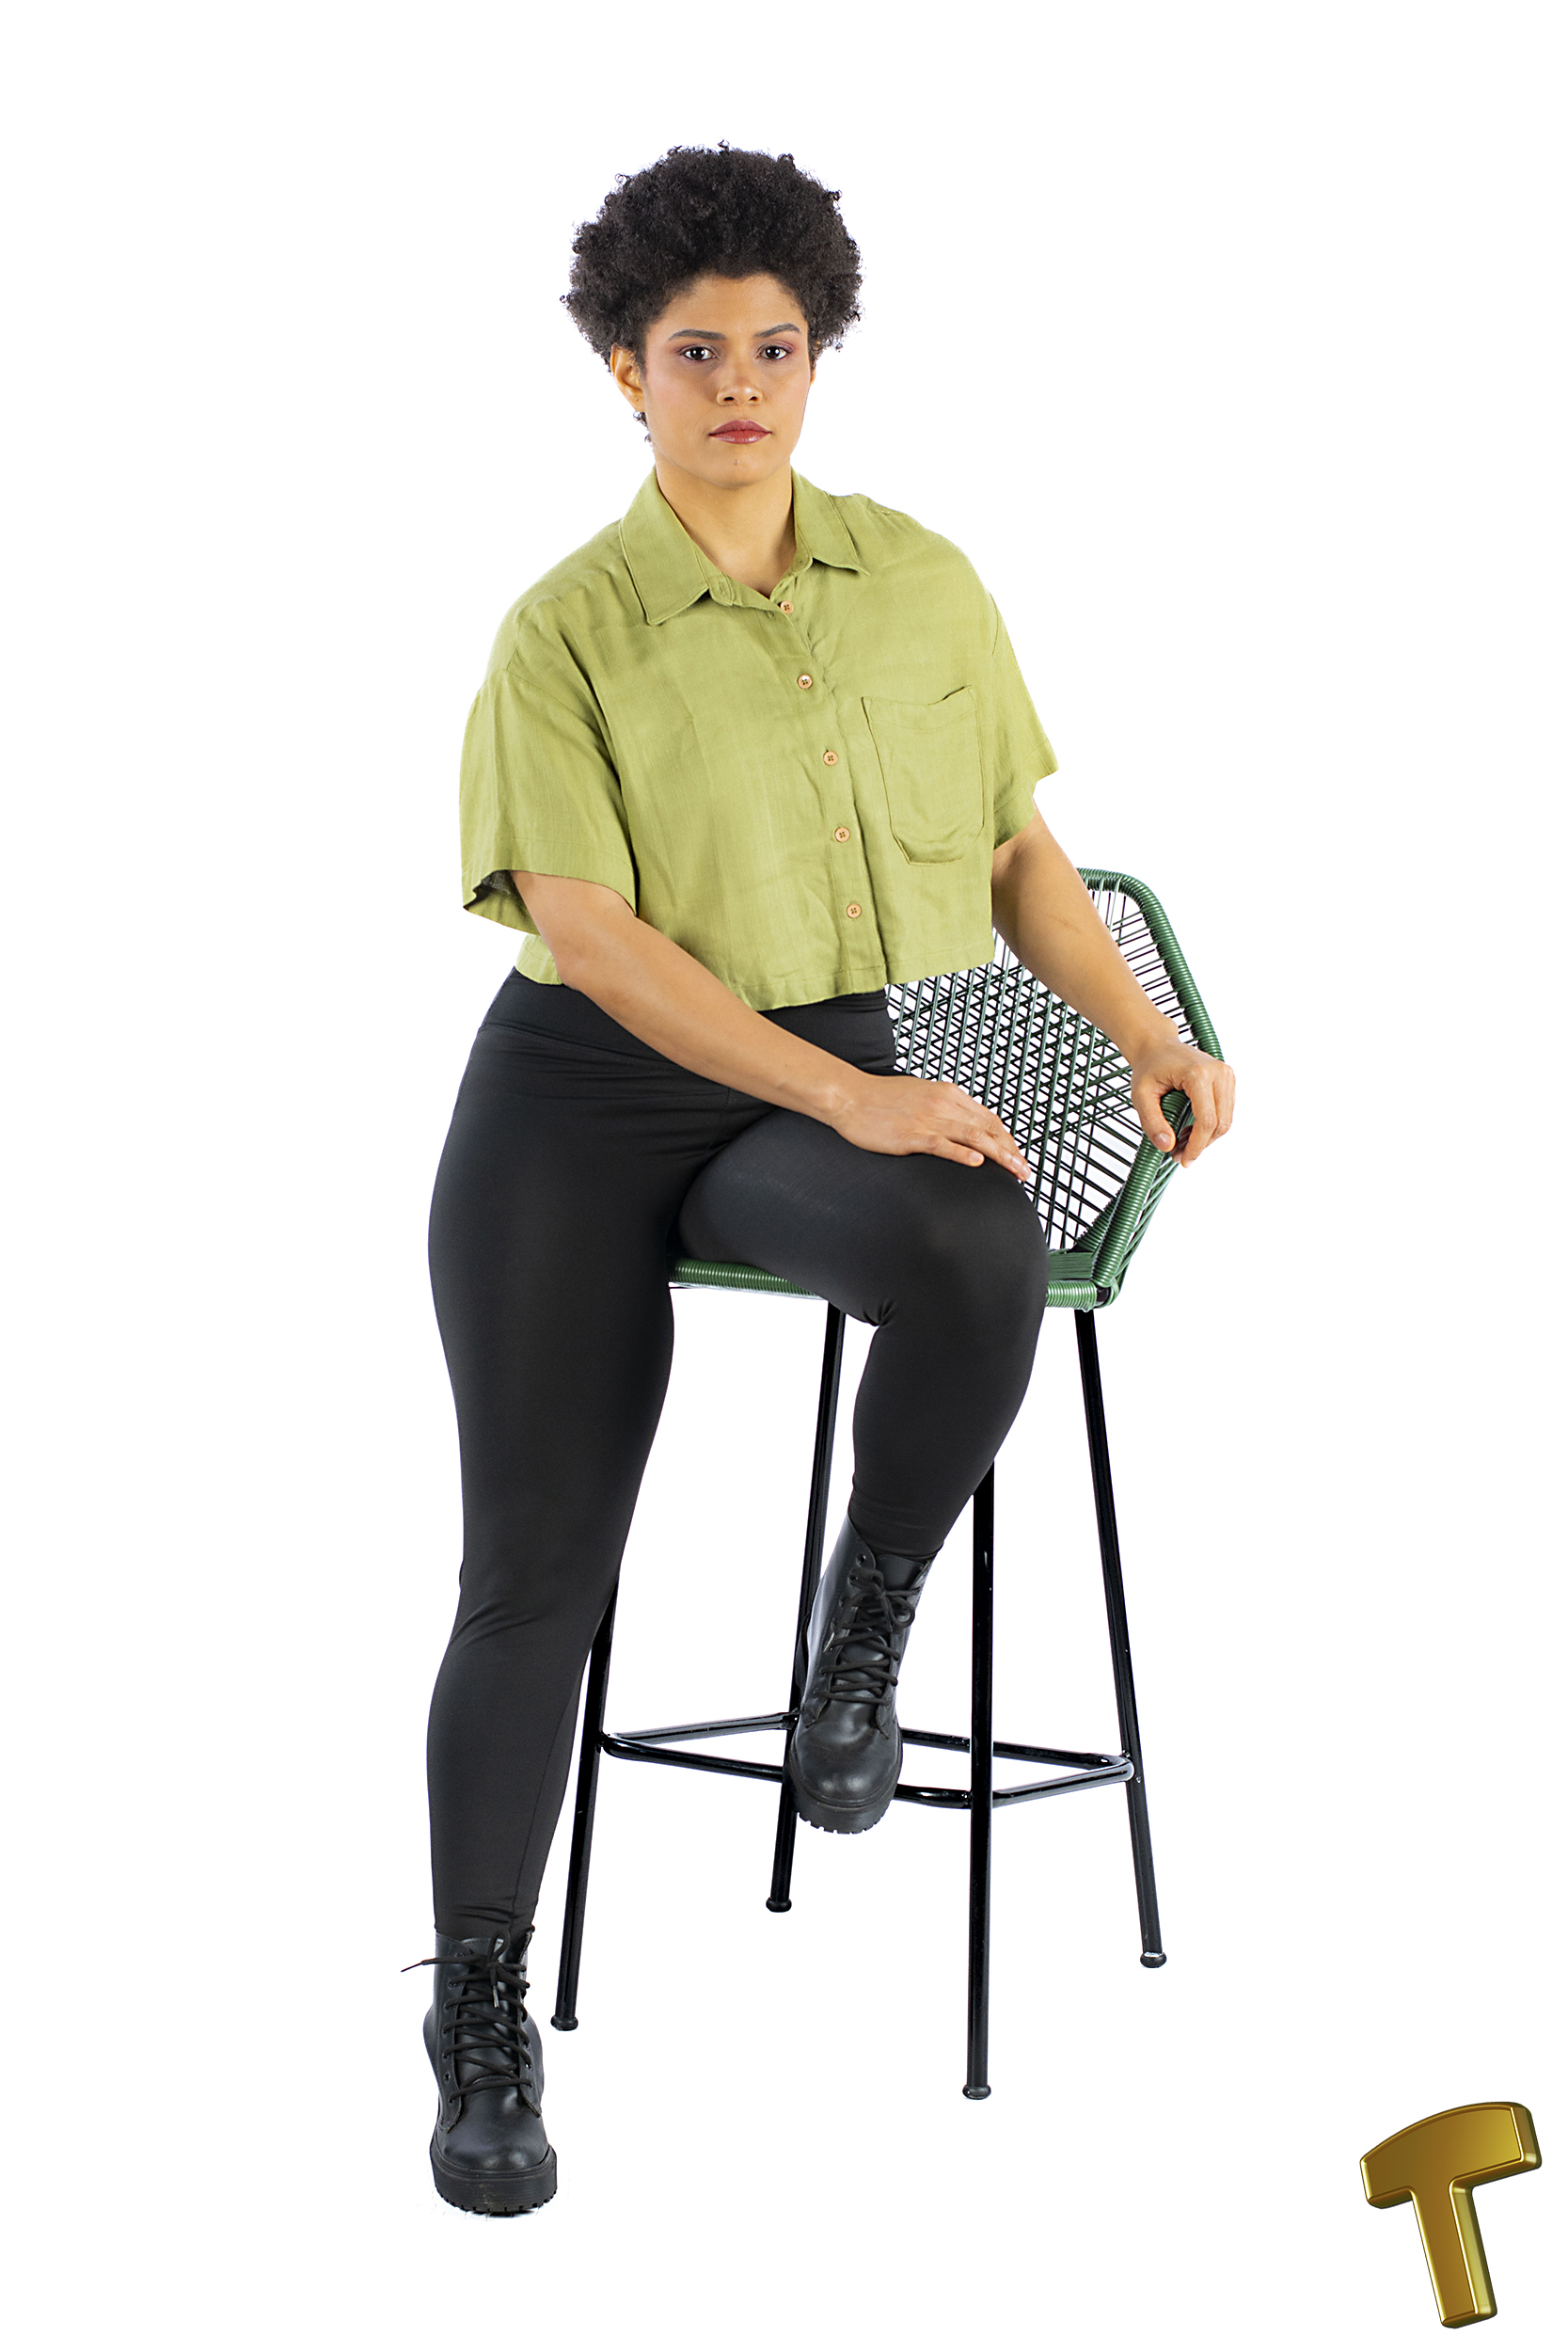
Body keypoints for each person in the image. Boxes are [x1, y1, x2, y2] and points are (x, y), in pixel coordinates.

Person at [416, 142, 1236, 2217]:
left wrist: (1143, 1031)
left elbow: (1017, 853)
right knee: (535, 1579)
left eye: (774, 348)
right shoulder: (568, 629)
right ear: (624, 370)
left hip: (807, 1101)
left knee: (975, 1233)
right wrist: (848, 1096)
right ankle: (482, 2010)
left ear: (818, 355)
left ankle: (859, 1628)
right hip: (578, 1115)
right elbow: (590, 934)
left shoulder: (923, 582)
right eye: (695, 353)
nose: (739, 388)